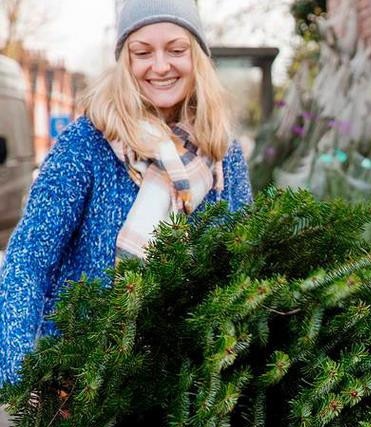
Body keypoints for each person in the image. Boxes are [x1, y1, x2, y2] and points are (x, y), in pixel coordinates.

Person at [0, 0, 253, 385]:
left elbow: (245, 261)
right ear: (125, 61)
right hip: (86, 385)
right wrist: (20, 375)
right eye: (143, 52)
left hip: (188, 387)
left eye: (176, 49)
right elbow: (28, 261)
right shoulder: (86, 144)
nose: (161, 65)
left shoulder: (223, 151)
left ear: (197, 56)